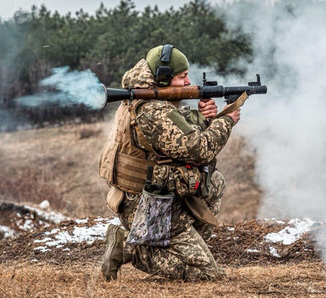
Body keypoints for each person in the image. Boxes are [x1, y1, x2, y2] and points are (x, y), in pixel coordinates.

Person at [99, 44, 241, 281]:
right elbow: (200, 150)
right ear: (163, 78)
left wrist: (203, 118)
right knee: (207, 275)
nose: (188, 83)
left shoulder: (144, 94)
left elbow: (174, 132)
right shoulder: (152, 110)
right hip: (146, 204)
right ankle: (129, 248)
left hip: (154, 193)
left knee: (213, 183)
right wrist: (226, 120)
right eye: (182, 77)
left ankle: (177, 248)